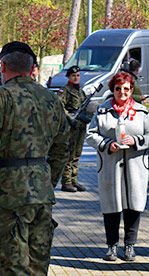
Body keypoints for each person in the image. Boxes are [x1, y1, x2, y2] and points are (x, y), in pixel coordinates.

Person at [0, 41, 70, 276]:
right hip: (42, 195)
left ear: (3, 67)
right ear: (33, 69)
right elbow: (63, 149)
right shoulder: (51, 100)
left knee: (13, 273)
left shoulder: (3, 97)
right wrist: (45, 180)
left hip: (8, 197)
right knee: (36, 272)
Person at [86, 72, 149, 262]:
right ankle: (111, 246)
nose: (122, 92)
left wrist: (136, 141)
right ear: (112, 90)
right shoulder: (102, 110)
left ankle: (130, 245)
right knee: (111, 206)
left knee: (133, 205)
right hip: (110, 165)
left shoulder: (142, 111)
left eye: (126, 89)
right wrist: (107, 144)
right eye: (117, 89)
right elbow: (91, 134)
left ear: (131, 90)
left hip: (135, 165)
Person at [60, 65, 87, 193]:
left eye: (78, 76)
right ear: (69, 77)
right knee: (69, 154)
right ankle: (66, 181)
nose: (76, 78)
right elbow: (61, 107)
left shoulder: (80, 91)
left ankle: (74, 180)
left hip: (80, 126)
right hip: (71, 126)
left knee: (77, 154)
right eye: (73, 76)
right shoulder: (65, 90)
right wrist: (70, 118)